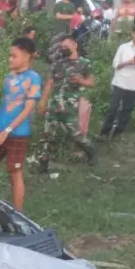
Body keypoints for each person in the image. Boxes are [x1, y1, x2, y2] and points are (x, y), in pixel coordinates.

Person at [0, 37, 41, 211]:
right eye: (9, 56)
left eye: (14, 56)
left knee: (15, 174)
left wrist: (8, 130)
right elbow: (4, 107)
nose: (10, 59)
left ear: (26, 56)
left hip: (18, 135)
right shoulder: (9, 77)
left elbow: (28, 109)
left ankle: (18, 216)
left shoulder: (34, 79)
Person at [37, 35, 97, 171]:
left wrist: (81, 81)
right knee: (48, 134)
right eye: (62, 47)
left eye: (66, 46)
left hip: (70, 105)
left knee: (75, 134)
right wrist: (43, 101)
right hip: (54, 103)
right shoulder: (58, 63)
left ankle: (91, 151)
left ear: (75, 45)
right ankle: (43, 164)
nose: (63, 49)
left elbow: (91, 83)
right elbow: (50, 82)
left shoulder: (85, 63)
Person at [100, 23, 135, 139]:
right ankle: (104, 132)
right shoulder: (123, 47)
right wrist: (128, 62)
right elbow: (115, 65)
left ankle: (118, 133)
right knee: (113, 107)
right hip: (120, 81)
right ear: (132, 34)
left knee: (127, 109)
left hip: (133, 84)